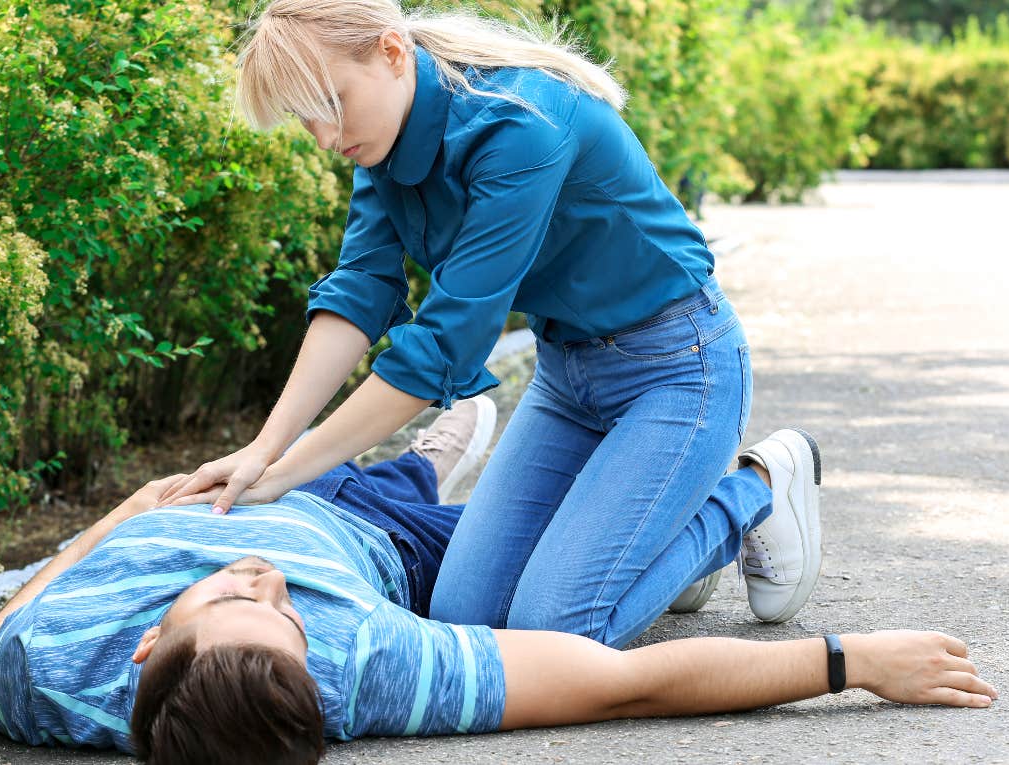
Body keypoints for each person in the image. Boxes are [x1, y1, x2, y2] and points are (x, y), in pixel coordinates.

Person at [152, 0, 791, 639]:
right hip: (567, 378)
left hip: (679, 370)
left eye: (333, 102)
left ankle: (753, 489)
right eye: (304, 118)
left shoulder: (520, 123)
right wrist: (264, 453)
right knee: (464, 616)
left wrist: (291, 474)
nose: (323, 137)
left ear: (391, 53)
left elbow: (444, 346)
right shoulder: (381, 142)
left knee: (558, 631)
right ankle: (658, 533)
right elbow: (360, 292)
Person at [0, 398, 998, 765]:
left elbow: (0, 624)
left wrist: (127, 512)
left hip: (243, 481)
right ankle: (755, 486)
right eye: (278, 616)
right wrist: (849, 661)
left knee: (381, 476)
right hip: (366, 538)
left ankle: (431, 451)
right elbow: (619, 683)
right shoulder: (367, 664)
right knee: (570, 591)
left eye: (245, 604)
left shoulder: (34, 675)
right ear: (318, 683)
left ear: (145, 647)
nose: (266, 585)